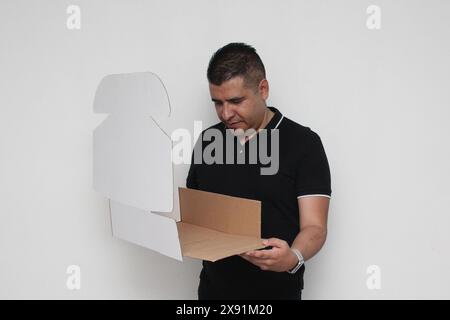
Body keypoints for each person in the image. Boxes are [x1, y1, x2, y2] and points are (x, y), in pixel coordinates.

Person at [186, 42, 331, 300]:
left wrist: (293, 257)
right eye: (217, 103)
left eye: (235, 101)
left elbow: (315, 227)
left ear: (262, 89)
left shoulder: (303, 143)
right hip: (212, 294)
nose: (226, 113)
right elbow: (194, 216)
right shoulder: (208, 140)